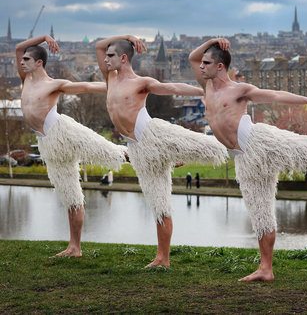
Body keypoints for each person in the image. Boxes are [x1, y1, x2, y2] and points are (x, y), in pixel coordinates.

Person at [189, 38, 307, 281]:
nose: (201, 66)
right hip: (244, 158)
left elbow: (274, 94)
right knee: (261, 215)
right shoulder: (206, 85)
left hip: (260, 142)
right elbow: (192, 57)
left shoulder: (239, 89)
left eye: (207, 63)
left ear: (220, 66)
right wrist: (211, 42)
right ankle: (266, 269)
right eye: (203, 63)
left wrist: (306, 100)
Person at [96, 35, 228, 268]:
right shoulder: (110, 79)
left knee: (212, 146)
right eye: (106, 56)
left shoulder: (140, 82)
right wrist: (126, 37)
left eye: (111, 56)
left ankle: (235, 143)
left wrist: (203, 93)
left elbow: (171, 87)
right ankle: (162, 259)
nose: (105, 59)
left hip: (153, 134)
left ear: (123, 58)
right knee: (160, 206)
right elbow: (98, 45)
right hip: (138, 149)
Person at [17, 35, 126, 258]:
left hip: (64, 132)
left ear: (39, 63)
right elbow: (19, 47)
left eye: (27, 59)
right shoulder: (25, 79)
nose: (21, 61)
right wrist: (45, 38)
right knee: (71, 197)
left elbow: (85, 86)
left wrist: (117, 86)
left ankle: (163, 156)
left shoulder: (53, 84)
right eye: (22, 59)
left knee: (111, 152)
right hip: (48, 144)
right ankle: (74, 248)